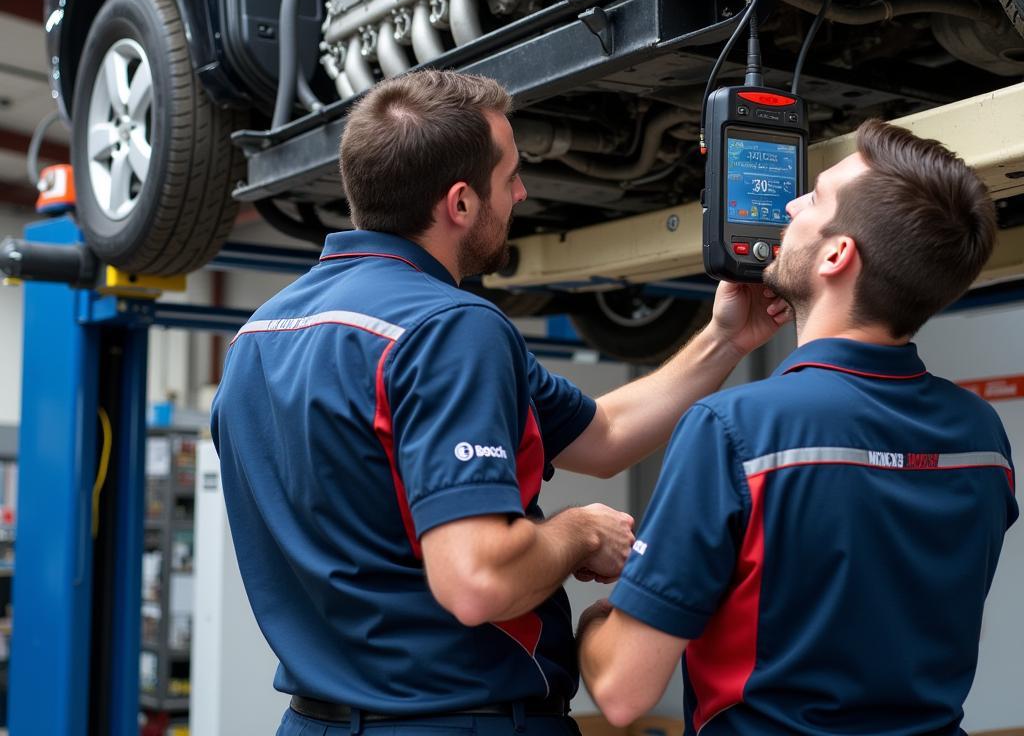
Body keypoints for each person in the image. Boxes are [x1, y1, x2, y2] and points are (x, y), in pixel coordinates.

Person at [211, 69, 792, 736]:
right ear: (459, 204)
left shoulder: (261, 334)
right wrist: (579, 532)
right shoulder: (451, 328)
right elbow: (478, 581)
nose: (521, 191)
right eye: (510, 175)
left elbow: (602, 436)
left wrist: (726, 338)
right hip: (459, 720)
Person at [578, 119, 1019, 736]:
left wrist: (598, 623)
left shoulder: (736, 429)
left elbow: (624, 691)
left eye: (814, 198)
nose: (790, 204)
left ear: (838, 255)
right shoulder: (982, 437)